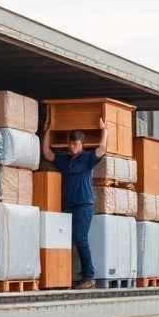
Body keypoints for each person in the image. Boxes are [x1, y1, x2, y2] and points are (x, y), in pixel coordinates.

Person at [42, 117, 108, 290]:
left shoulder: (87, 158)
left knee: (81, 239)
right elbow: (47, 153)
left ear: (82, 144)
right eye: (71, 144)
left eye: (76, 144)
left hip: (84, 205)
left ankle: (89, 276)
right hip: (68, 206)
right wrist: (48, 130)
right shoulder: (64, 160)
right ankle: (66, 275)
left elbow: (102, 149)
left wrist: (104, 130)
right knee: (66, 241)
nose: (73, 147)